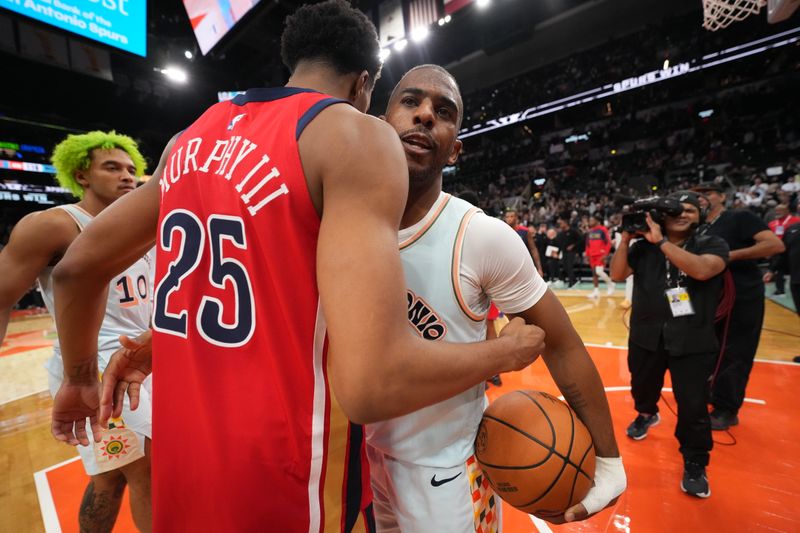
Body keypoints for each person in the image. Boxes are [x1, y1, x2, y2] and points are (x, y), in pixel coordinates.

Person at [49, 3, 545, 531]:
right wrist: (505, 351)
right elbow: (369, 385)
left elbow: (74, 271)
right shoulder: (351, 135)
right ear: (364, 84)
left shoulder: (186, 140)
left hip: (183, 453)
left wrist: (80, 377)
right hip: (285, 470)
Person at [366, 64, 625, 532]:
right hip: (362, 460)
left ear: (455, 150)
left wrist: (608, 460)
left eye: (443, 112)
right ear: (381, 123)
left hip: (446, 473)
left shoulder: (481, 236)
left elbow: (562, 342)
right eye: (410, 101)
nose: (425, 115)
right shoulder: (347, 220)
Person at [0, 131, 153, 532]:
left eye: (131, 169)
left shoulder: (147, 224)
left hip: (141, 363)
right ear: (82, 174)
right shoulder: (54, 225)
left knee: (110, 476)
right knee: (149, 474)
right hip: (94, 370)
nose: (127, 177)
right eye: (112, 167)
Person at [611, 191, 729, 498]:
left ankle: (694, 461)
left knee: (692, 406)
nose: (683, 213)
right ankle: (647, 413)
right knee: (642, 387)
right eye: (676, 209)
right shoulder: (641, 248)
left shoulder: (711, 243)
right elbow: (617, 274)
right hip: (647, 334)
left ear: (700, 215)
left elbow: (702, 270)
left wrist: (661, 243)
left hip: (693, 338)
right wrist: (625, 238)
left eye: (690, 209)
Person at [691, 182, 784, 430]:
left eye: (707, 193)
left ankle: (727, 408)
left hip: (741, 295)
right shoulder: (696, 227)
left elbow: (774, 245)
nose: (700, 198)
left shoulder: (738, 217)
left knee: (735, 351)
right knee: (709, 349)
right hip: (709, 297)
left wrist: (727, 256)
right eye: (696, 195)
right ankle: (712, 394)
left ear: (722, 196)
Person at [766, 204, 800, 295]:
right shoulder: (772, 224)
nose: (778, 212)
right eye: (776, 210)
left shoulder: (796, 221)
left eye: (780, 210)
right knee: (779, 269)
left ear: (787, 211)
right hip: (779, 251)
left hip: (793, 252)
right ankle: (780, 290)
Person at [504, 209, 544, 276]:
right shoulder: (503, 231)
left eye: (511, 216)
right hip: (509, 264)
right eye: (507, 217)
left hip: (524, 263)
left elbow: (533, 249)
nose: (509, 219)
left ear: (516, 218)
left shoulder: (525, 231)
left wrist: (539, 268)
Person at [585, 214, 615, 298]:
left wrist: (605, 254)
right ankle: (596, 292)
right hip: (592, 255)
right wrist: (587, 255)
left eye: (592, 220)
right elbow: (587, 244)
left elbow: (608, 243)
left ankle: (610, 283)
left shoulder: (603, 230)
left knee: (599, 271)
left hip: (600, 255)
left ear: (597, 221)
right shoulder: (590, 231)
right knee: (594, 274)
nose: (590, 222)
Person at [556, 217, 582, 288]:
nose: (560, 225)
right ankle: (574, 280)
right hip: (564, 252)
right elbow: (559, 244)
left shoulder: (573, 231)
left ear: (566, 224)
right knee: (565, 267)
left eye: (561, 224)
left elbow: (580, 240)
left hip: (572, 252)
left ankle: (571, 283)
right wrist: (558, 252)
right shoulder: (561, 233)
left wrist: (573, 246)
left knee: (569, 266)